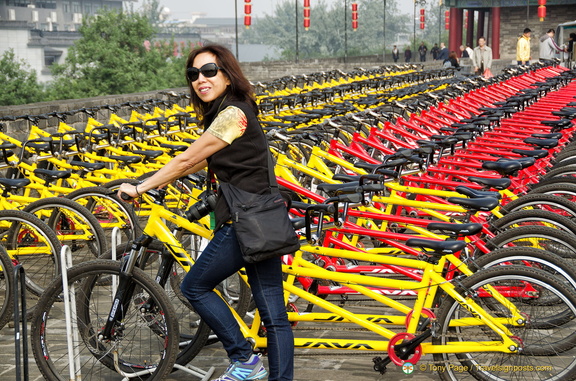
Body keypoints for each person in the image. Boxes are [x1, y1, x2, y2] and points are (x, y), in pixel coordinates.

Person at [118, 44, 294, 381]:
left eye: (209, 71)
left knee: (195, 286)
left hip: (244, 221)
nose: (201, 79)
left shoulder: (232, 114)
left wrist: (140, 187)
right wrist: (168, 177)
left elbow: (186, 159)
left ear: (227, 75)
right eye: (193, 74)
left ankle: (244, 359)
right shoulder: (231, 111)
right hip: (263, 220)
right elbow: (198, 161)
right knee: (274, 316)